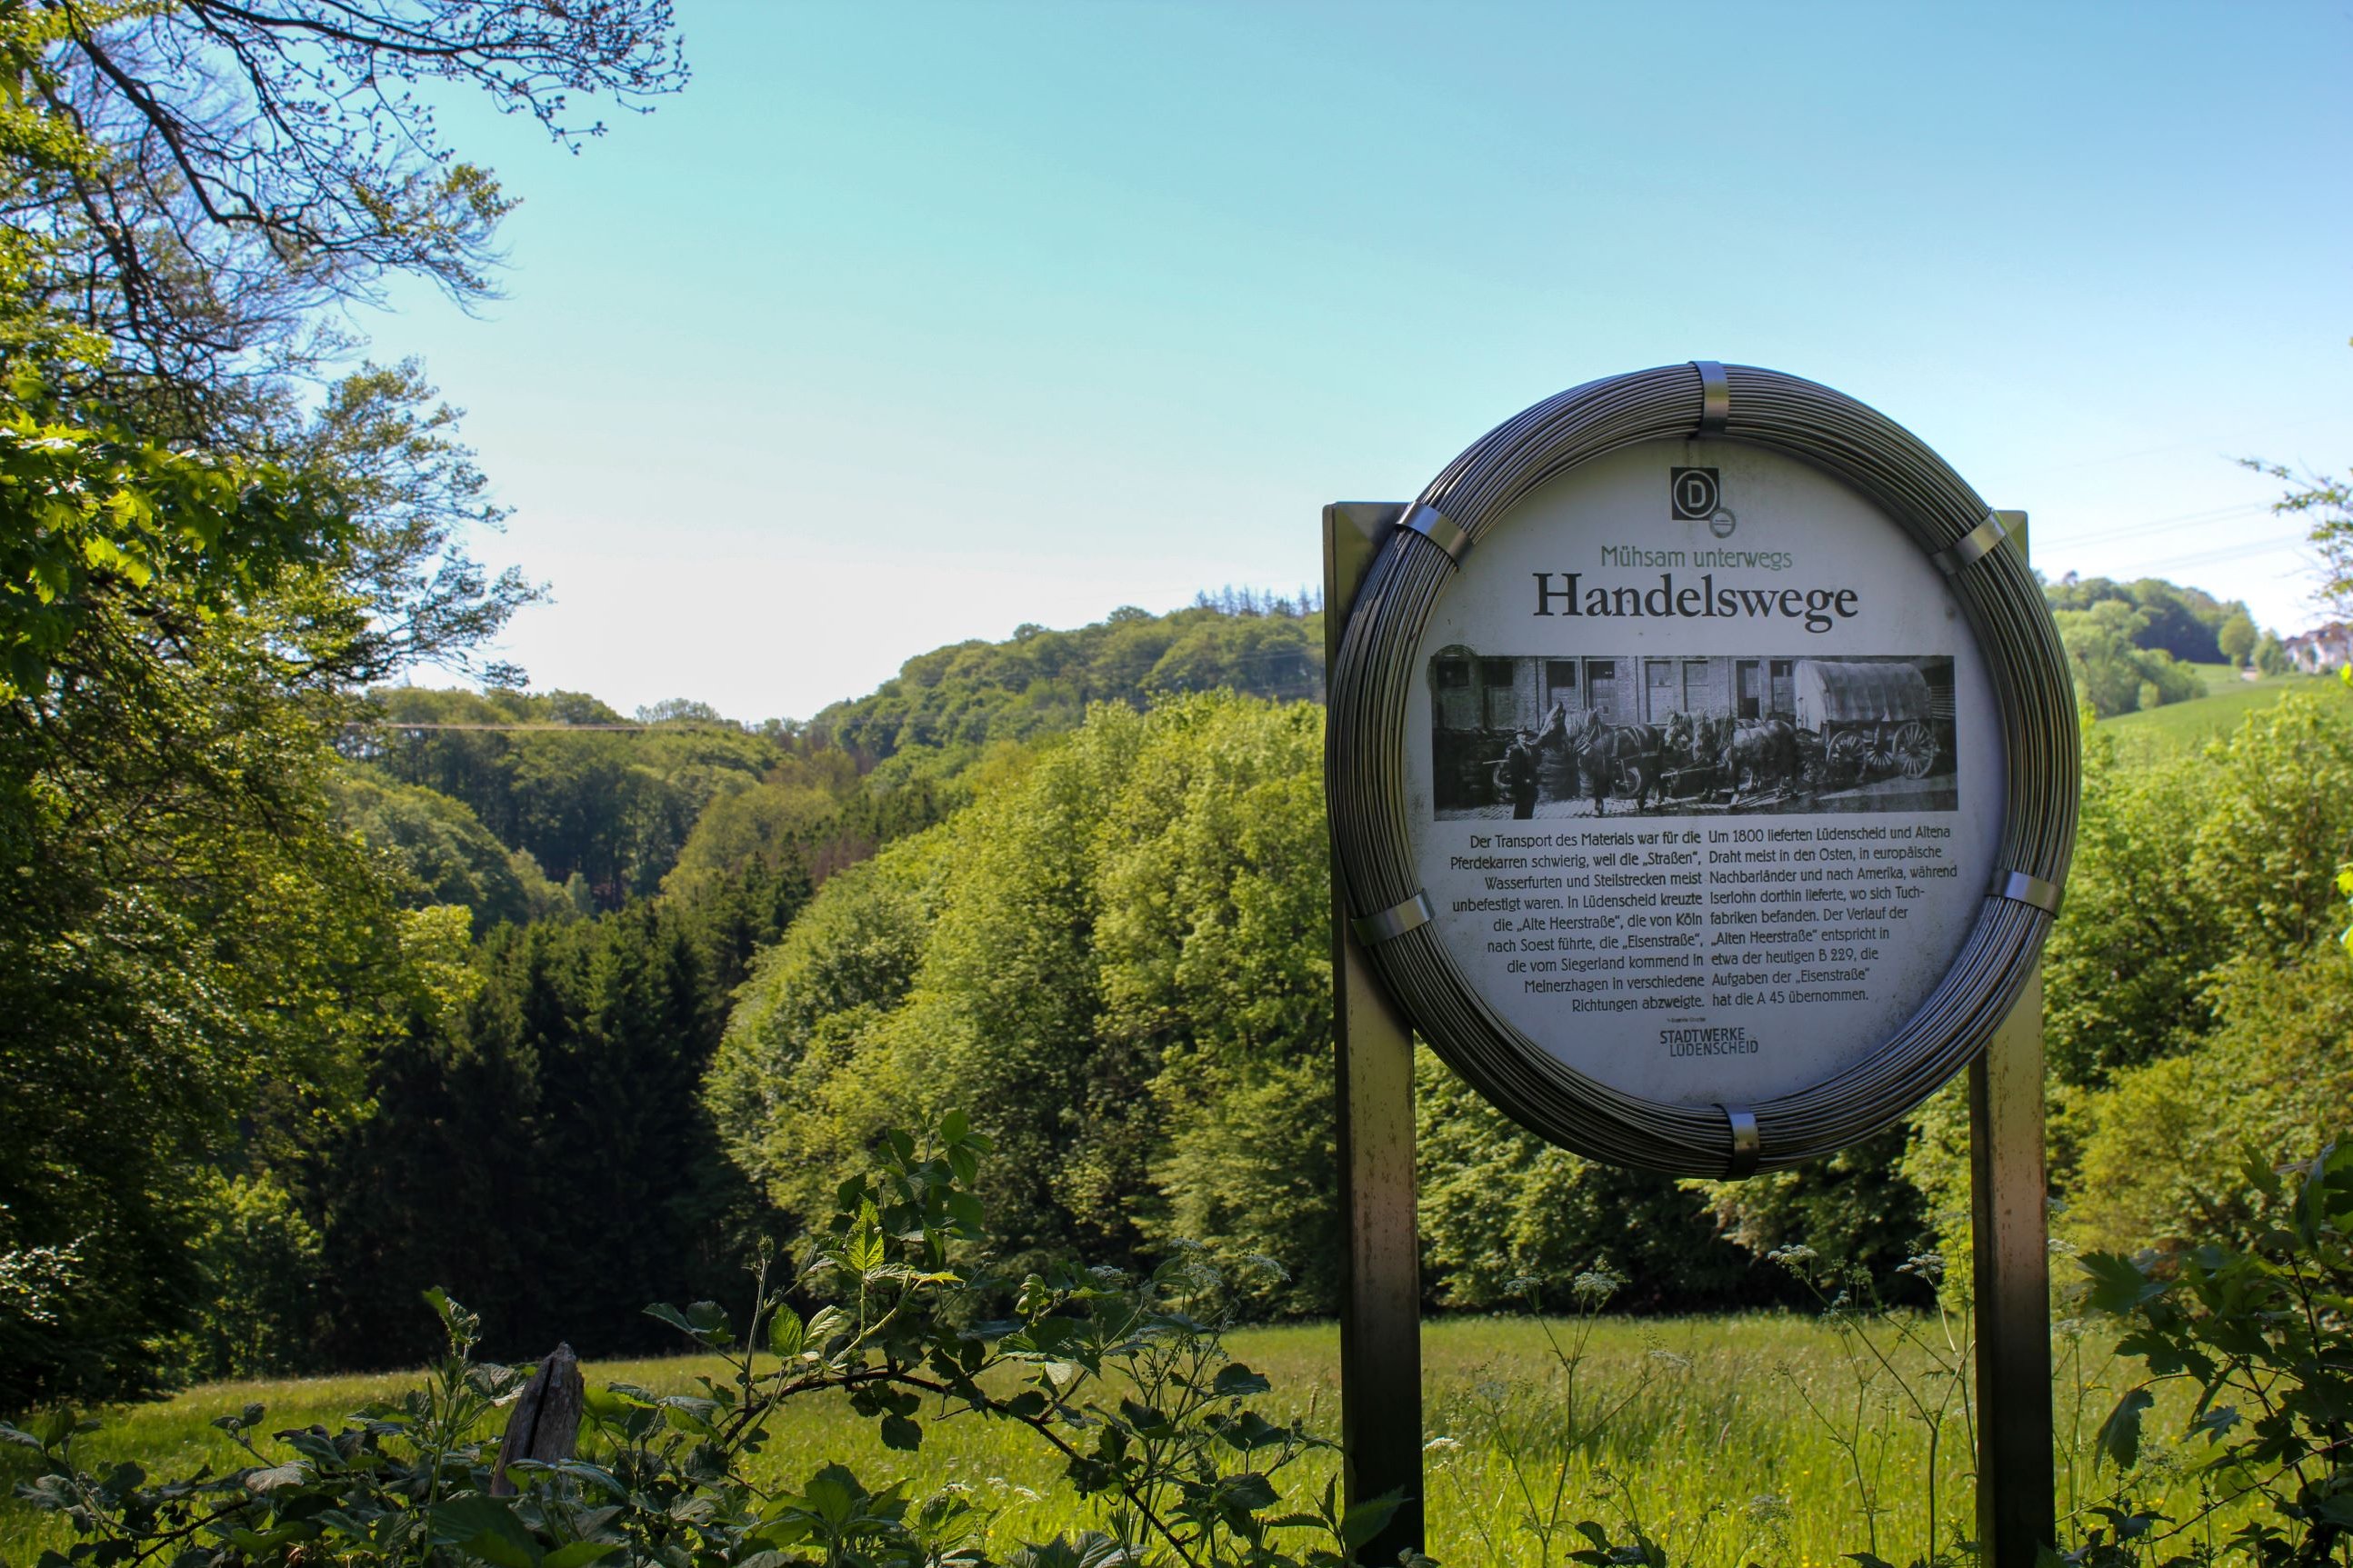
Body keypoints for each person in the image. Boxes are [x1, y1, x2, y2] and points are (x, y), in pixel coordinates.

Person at [1501, 728, 1540, 819]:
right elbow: (1514, 771)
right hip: (1521, 786)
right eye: (1521, 735)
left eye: (1526, 735)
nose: (1524, 737)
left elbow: (1532, 765)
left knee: (1529, 810)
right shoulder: (1516, 750)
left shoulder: (1529, 749)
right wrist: (1524, 780)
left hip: (1530, 785)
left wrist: (1534, 778)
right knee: (1521, 811)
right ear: (1517, 737)